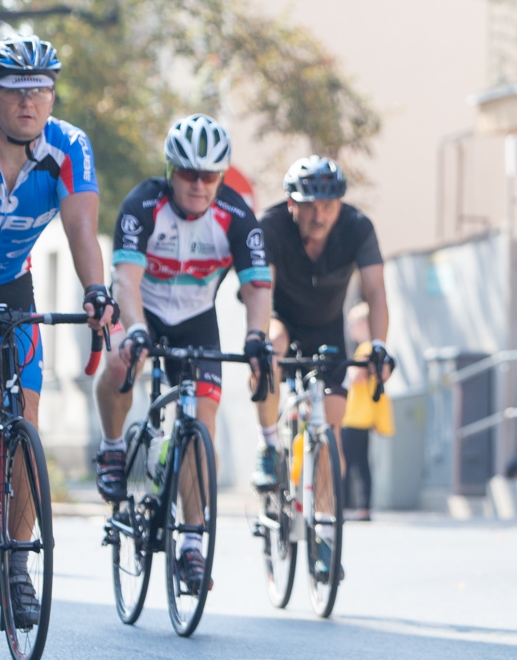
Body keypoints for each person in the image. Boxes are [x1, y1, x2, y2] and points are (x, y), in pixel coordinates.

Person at [94, 114, 272, 596]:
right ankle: (113, 450)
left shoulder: (235, 215)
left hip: (197, 318)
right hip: (144, 307)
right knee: (119, 361)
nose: (198, 184)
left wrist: (257, 336)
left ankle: (192, 542)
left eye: (209, 175)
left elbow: (257, 286)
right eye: (189, 173)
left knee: (201, 424)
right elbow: (125, 281)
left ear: (221, 175)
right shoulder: (142, 204)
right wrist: (134, 329)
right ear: (171, 170)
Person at [0, 38, 113, 627]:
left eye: (40, 89)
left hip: (12, 288)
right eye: (15, 90)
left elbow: (82, 228)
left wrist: (95, 292)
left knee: (24, 418)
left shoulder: (69, 146)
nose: (29, 101)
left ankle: (16, 569)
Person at [257, 155, 390, 580]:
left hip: (329, 333)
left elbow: (376, 292)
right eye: (308, 205)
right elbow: (262, 290)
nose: (318, 215)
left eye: (327, 206)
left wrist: (378, 346)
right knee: (270, 343)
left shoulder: (356, 227)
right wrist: (263, 338)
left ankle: (326, 533)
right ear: (291, 204)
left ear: (340, 204)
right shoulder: (272, 226)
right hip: (280, 320)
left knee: (330, 431)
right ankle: (269, 448)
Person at [341, 302, 392, 522]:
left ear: (364, 323)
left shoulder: (365, 350)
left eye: (354, 324)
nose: (351, 329)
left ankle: (341, 506)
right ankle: (363, 507)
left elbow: (355, 377)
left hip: (355, 415)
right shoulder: (375, 350)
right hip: (366, 414)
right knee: (362, 462)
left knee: (345, 461)